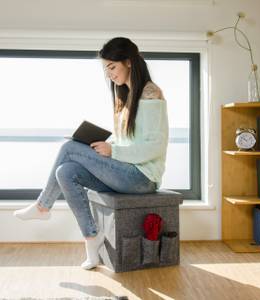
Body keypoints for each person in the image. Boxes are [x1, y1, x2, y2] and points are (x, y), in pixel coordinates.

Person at [13, 37, 169, 270]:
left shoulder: (149, 93)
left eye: (112, 67)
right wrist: (101, 145)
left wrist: (113, 150)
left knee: (68, 149)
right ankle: (91, 238)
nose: (109, 74)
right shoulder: (125, 95)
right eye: (106, 69)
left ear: (128, 62)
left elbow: (153, 147)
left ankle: (43, 206)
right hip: (125, 172)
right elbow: (125, 140)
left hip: (142, 178)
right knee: (65, 171)